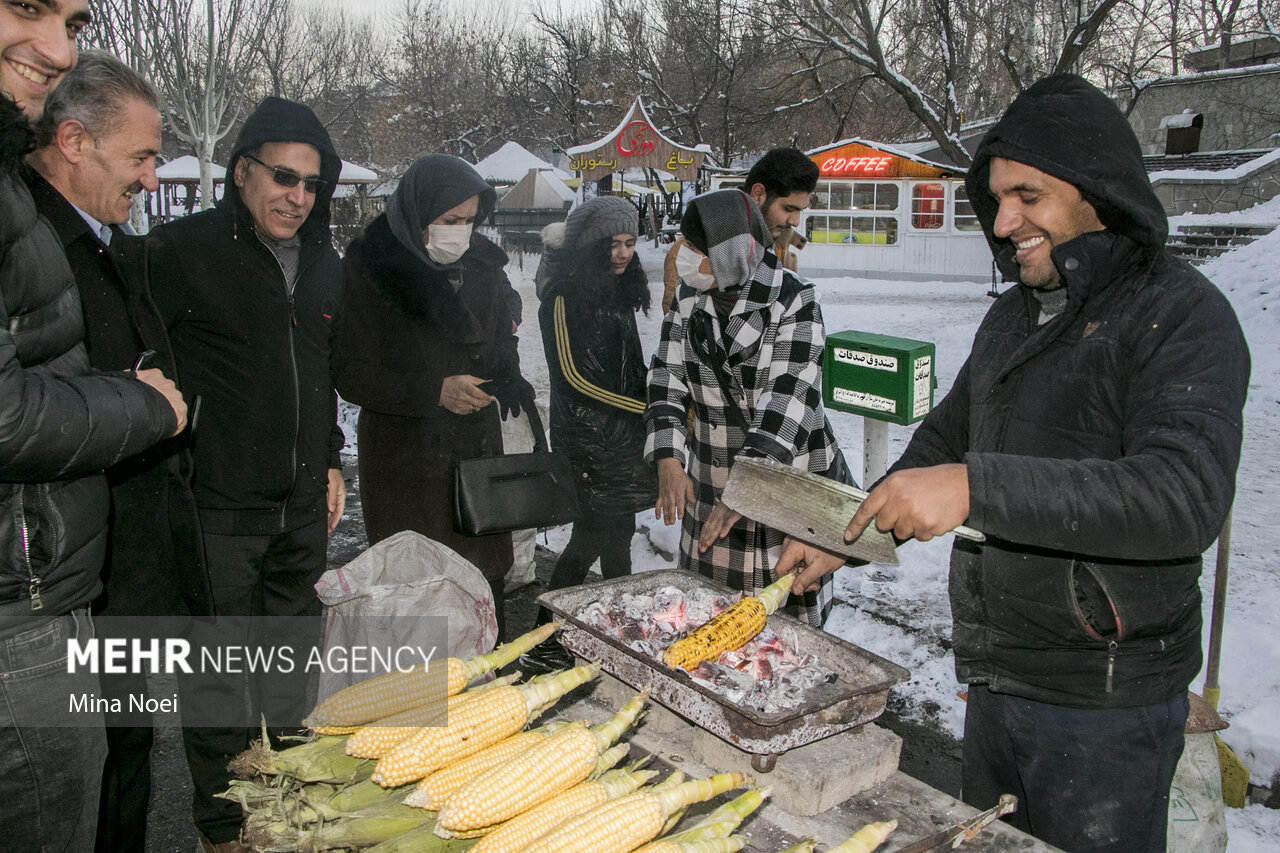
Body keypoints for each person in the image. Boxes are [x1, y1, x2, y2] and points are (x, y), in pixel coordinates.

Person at [780, 75, 1251, 853]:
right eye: (997, 199)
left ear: (1097, 188)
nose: (1004, 222)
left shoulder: (1182, 314)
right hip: (998, 680)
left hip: (1106, 703)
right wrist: (843, 534)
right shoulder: (1011, 316)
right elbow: (941, 445)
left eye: (1027, 195)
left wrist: (977, 487)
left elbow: (1183, 495)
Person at [0, 6, 186, 851]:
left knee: (124, 763)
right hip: (66, 589)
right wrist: (145, 405)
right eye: (142, 157)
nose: (153, 179)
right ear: (74, 142)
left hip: (109, 571)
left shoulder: (94, 238)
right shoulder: (36, 233)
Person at [148, 96, 346, 852]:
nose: (297, 196)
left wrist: (328, 454)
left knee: (290, 675)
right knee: (222, 679)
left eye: (312, 185)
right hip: (219, 506)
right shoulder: (180, 250)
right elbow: (139, 362)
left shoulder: (326, 264)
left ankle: (285, 812)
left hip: (299, 509)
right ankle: (222, 826)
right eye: (284, 177)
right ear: (241, 171)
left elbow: (318, 372)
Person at [336, 154, 534, 640]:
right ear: (416, 215)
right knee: (419, 592)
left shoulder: (484, 266)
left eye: (469, 221)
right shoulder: (370, 270)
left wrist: (505, 369)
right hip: (406, 459)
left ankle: (489, 685)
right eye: (449, 221)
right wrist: (434, 391)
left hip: (475, 454)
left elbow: (498, 336)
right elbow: (351, 372)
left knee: (483, 586)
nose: (461, 232)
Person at [646, 189, 848, 629]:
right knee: (708, 617)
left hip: (779, 473)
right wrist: (667, 454)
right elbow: (666, 376)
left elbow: (787, 398)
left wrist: (747, 489)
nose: (682, 256)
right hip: (710, 471)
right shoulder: (689, 297)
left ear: (731, 252)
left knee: (779, 623)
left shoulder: (794, 301)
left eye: (695, 248)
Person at [521, 196, 657, 672]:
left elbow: (628, 366)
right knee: (591, 536)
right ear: (588, 248)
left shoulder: (618, 291)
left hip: (620, 437)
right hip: (587, 440)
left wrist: (651, 397)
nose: (622, 254)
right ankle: (545, 633)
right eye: (611, 245)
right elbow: (573, 379)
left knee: (617, 533)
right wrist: (643, 407)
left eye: (629, 243)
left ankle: (616, 629)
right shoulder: (562, 296)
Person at [661, 148, 817, 314]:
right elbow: (675, 318)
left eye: (801, 210)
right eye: (789, 209)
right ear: (758, 194)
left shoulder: (780, 241)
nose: (795, 221)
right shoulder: (696, 246)